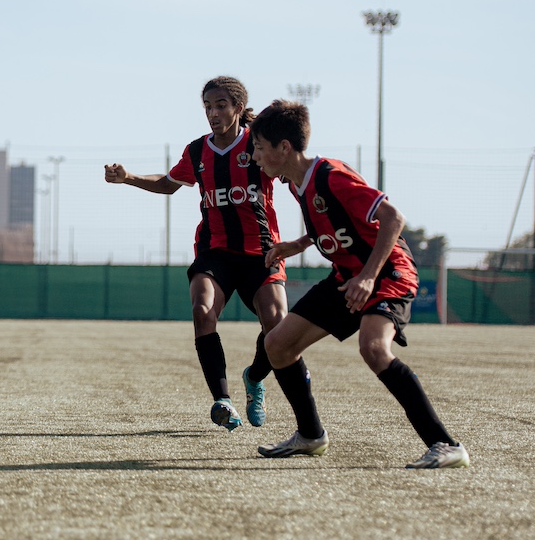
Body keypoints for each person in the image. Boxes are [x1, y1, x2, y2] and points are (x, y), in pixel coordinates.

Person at [249, 99, 470, 469]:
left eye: (258, 146)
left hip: (387, 273)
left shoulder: (331, 174)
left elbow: (392, 218)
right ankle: (310, 435)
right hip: (346, 277)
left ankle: (445, 444)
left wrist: (368, 276)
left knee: (373, 347)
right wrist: (300, 243)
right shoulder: (295, 184)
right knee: (277, 345)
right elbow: (333, 221)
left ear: (283, 147)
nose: (255, 156)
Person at [104, 76, 287, 431]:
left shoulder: (259, 146)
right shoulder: (197, 151)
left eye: (220, 106)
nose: (213, 113)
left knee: (277, 326)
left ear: (237, 107)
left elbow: (293, 176)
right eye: (207, 106)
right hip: (214, 251)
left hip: (260, 252)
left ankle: (254, 377)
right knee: (203, 311)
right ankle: (223, 401)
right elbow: (169, 184)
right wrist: (128, 177)